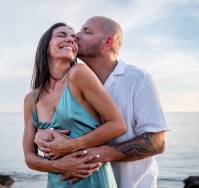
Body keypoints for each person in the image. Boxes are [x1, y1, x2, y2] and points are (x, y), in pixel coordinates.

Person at [35, 16, 169, 188]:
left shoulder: (138, 78)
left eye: (87, 31)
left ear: (107, 42)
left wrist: (98, 154)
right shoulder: (69, 81)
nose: (76, 35)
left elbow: (157, 142)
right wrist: (41, 135)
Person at [23, 22, 127, 188]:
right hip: (57, 183)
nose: (71, 39)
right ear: (46, 47)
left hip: (94, 182)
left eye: (73, 38)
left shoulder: (79, 73)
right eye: (62, 35)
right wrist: (57, 165)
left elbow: (118, 125)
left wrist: (72, 145)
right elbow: (29, 157)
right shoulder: (31, 99)